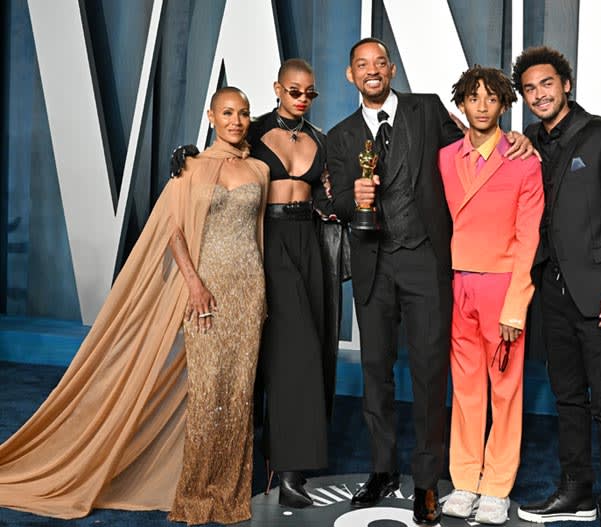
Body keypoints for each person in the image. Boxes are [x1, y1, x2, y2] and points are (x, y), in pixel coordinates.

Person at [0, 87, 269, 526]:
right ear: (211, 116)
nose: (236, 121)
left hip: (248, 290)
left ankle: (229, 492)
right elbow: (173, 232)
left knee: (237, 396)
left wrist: (262, 296)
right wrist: (193, 284)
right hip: (204, 289)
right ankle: (197, 493)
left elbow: (259, 235)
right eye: (227, 113)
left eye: (242, 113)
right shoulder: (191, 167)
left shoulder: (259, 169)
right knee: (204, 394)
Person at [326, 37, 533, 526]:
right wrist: (349, 198)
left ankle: (426, 481)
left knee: (429, 374)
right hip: (374, 267)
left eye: (380, 62)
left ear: (392, 69)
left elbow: (474, 142)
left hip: (427, 264)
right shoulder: (339, 137)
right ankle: (381, 470)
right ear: (350, 76)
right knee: (375, 373)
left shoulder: (426, 109)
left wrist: (516, 139)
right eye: (362, 65)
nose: (372, 71)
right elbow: (333, 204)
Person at [172, 59, 346, 509]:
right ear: (277, 89)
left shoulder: (321, 140)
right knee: (292, 354)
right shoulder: (251, 132)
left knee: (312, 351)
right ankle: (279, 471)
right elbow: (219, 162)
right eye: (293, 90)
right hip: (267, 242)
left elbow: (329, 196)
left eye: (309, 92)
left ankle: (289, 468)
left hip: (310, 241)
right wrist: (185, 154)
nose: (301, 98)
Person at [511, 47, 601, 527]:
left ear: (566, 84)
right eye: (529, 89)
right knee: (567, 398)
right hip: (552, 293)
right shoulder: (526, 141)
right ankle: (577, 489)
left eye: (547, 83)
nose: (539, 94)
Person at [438, 66, 543, 524]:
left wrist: (516, 306)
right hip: (459, 284)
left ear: (504, 104)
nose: (481, 106)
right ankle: (464, 481)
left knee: (505, 390)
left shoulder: (525, 160)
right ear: (461, 105)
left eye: (491, 98)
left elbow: (529, 239)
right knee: (464, 390)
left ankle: (497, 487)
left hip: (503, 287)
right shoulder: (445, 157)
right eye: (473, 98)